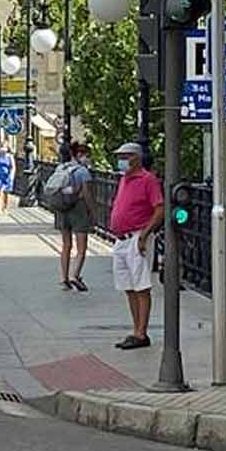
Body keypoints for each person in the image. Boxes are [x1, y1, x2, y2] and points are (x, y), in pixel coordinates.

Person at [107, 141, 162, 350]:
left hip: (138, 237)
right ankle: (136, 328)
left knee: (141, 285)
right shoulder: (124, 180)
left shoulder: (148, 180)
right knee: (128, 286)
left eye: (125, 156)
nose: (121, 161)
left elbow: (158, 209)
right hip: (121, 239)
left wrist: (145, 234)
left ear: (136, 158)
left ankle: (142, 332)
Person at [54, 140, 95, 292]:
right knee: (81, 247)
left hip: (62, 208)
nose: (88, 159)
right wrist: (92, 211)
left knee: (66, 245)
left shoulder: (61, 168)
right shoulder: (83, 172)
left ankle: (64, 278)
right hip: (79, 209)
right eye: (86, 155)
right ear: (79, 155)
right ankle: (75, 274)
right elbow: (86, 194)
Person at [0, 143, 15, 213]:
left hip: (7, 176)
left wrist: (11, 175)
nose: (2, 149)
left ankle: (5, 207)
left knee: (6, 193)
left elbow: (13, 167)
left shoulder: (9, 156)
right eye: (1, 147)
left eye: (4, 147)